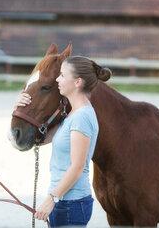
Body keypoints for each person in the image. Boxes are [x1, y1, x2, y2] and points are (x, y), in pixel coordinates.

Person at [14, 56, 111, 227]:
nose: (57, 79)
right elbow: (39, 139)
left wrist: (52, 199)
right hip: (64, 201)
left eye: (63, 75)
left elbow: (77, 166)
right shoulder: (72, 114)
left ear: (77, 82)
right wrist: (18, 107)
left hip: (70, 203)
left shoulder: (82, 117)